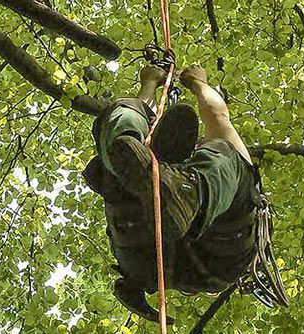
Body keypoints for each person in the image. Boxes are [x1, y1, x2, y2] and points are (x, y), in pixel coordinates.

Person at [82, 65, 267, 323]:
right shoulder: (219, 162)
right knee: (228, 159)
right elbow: (217, 117)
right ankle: (156, 177)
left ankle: (174, 188)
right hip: (214, 260)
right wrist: (198, 83)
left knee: (125, 113)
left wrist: (149, 82)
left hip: (143, 256)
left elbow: (140, 107)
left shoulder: (218, 161)